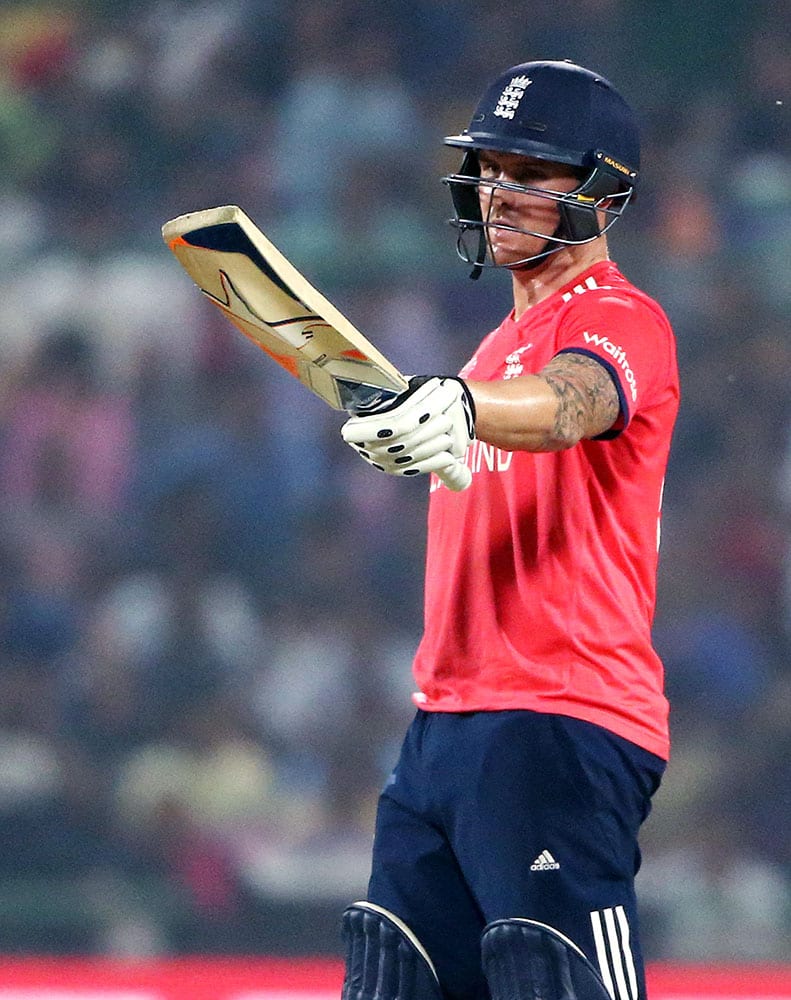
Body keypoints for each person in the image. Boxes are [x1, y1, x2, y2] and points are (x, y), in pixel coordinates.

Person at [339, 59, 679, 1000]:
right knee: (388, 979)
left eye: (531, 173)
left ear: (602, 193)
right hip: (441, 728)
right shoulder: (489, 352)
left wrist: (457, 405)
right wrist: (432, 423)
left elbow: (572, 402)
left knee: (557, 983)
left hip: (564, 718)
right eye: (490, 168)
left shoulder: (624, 317)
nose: (499, 193)